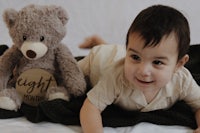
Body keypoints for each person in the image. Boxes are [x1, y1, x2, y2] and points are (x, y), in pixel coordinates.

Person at [78, 5, 200, 133]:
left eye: (157, 62)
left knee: (126, 52)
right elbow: (91, 107)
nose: (143, 71)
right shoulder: (116, 77)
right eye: (135, 57)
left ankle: (103, 42)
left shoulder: (182, 81)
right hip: (102, 60)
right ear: (128, 49)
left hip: (119, 54)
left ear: (179, 64)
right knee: (75, 70)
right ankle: (100, 45)